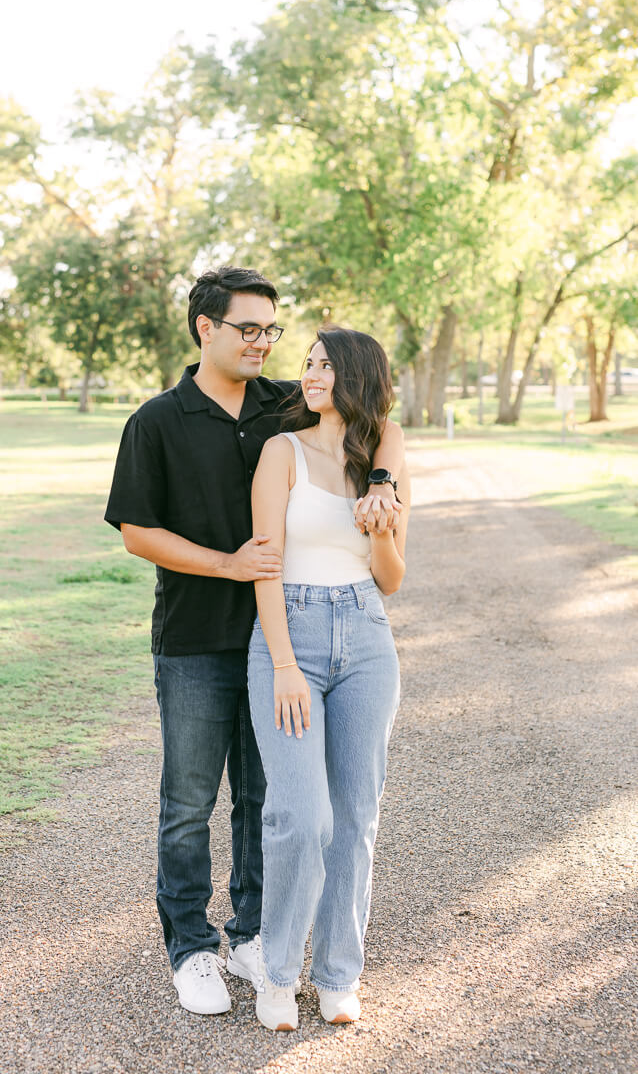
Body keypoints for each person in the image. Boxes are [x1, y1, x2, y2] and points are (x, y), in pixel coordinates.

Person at [105, 268, 405, 1016]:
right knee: (188, 799)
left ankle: (250, 935)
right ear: (206, 328)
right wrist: (227, 564)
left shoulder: (284, 401)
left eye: (273, 330)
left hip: (286, 636)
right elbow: (137, 532)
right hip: (201, 636)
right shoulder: (157, 421)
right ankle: (192, 948)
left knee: (267, 799)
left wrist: (387, 481)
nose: (266, 344)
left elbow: (377, 419)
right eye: (250, 330)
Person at [247, 324, 409, 1032]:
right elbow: (266, 564)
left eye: (323, 365)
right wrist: (283, 663)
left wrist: (380, 526)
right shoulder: (280, 452)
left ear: (354, 376)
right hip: (293, 637)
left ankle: (340, 976)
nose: (310, 374)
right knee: (300, 816)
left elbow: (394, 580)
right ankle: (278, 974)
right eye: (306, 364)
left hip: (368, 637)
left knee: (355, 817)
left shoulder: (379, 459)